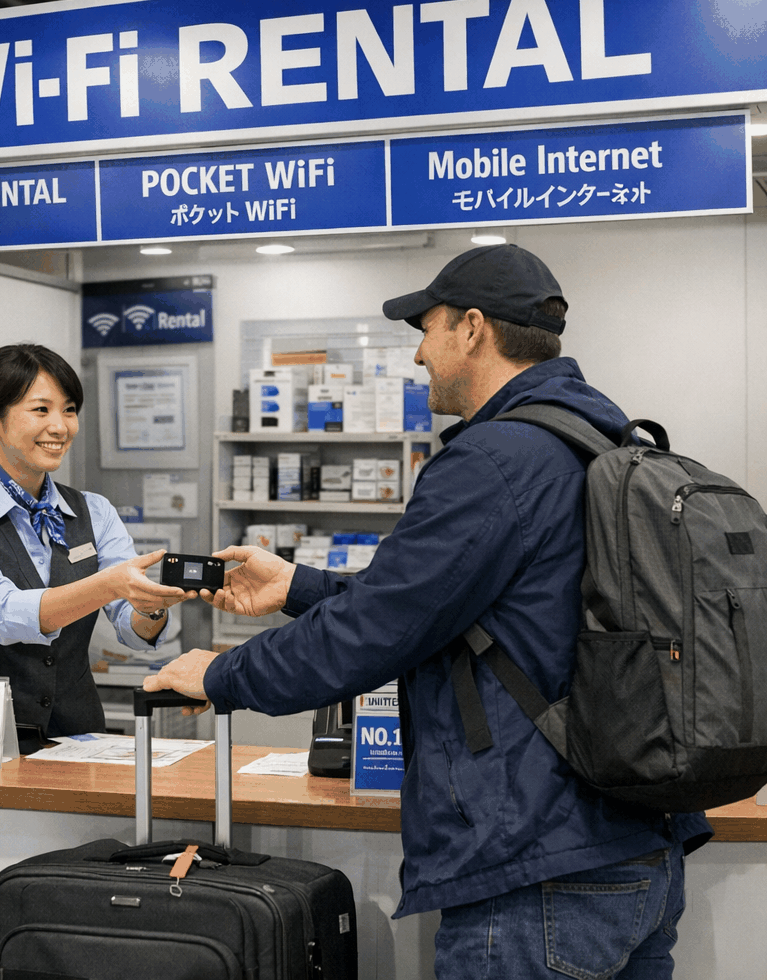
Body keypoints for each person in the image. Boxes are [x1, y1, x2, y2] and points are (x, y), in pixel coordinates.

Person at [145, 245, 712, 979]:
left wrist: (221, 673)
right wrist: (299, 586)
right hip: (635, 844)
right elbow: (448, 610)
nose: (418, 355)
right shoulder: (600, 438)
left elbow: (374, 633)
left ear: (472, 328)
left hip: (534, 867)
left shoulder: (495, 459)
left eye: (427, 329)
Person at [0, 343, 196, 740]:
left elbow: (132, 629)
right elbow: (1, 614)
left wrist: (151, 607)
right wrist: (112, 584)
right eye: (41, 410)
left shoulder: (94, 511)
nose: (60, 427)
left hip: (76, 735)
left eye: (69, 409)